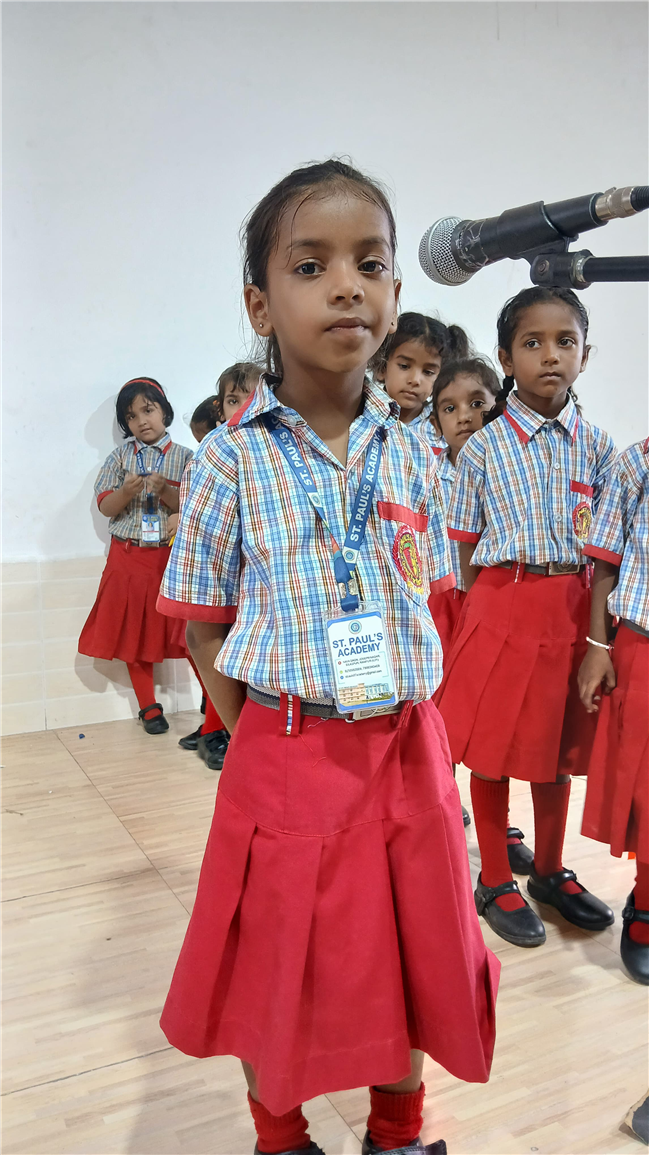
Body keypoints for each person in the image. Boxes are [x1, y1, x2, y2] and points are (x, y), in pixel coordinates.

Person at [156, 159, 499, 1155]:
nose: (347, 286)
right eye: (311, 266)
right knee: (279, 961)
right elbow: (202, 624)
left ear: (394, 290)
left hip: (407, 749)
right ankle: (280, 1134)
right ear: (260, 304)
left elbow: (428, 592)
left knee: (415, 947)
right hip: (287, 750)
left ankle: (398, 1131)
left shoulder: (419, 452)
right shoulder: (228, 458)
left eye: (370, 263)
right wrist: (263, 732)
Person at [435, 286, 618, 949]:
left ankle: (548, 869)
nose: (550, 356)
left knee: (554, 748)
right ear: (507, 359)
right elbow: (463, 547)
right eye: (532, 343)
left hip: (572, 610)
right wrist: (475, 618)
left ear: (585, 355)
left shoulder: (599, 448)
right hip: (501, 602)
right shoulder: (482, 449)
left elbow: (606, 553)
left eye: (565, 342)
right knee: (493, 750)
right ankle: (494, 878)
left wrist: (600, 637)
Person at [78, 377, 193, 734]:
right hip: (127, 557)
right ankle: (148, 707)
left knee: (188, 633)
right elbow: (106, 507)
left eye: (148, 410)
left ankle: (214, 705)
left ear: (164, 412)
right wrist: (126, 492)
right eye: (131, 416)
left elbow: (194, 507)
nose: (142, 421)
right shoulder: (119, 458)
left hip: (171, 557)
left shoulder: (187, 457)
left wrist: (167, 492)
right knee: (133, 633)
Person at [578, 437, 648, 985]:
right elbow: (606, 557)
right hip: (642, 645)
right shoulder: (637, 462)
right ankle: (644, 902)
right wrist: (598, 645)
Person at [178, 366, 262, 766]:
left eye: (251, 398)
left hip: (260, 594)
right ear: (220, 407)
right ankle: (222, 730)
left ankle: (220, 728)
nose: (241, 408)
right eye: (233, 400)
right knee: (215, 649)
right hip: (224, 586)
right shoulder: (212, 455)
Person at [372, 312, 470, 449]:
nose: (415, 380)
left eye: (428, 372)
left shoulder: (444, 426)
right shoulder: (363, 415)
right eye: (404, 366)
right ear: (382, 367)